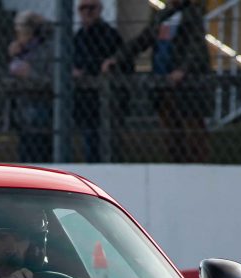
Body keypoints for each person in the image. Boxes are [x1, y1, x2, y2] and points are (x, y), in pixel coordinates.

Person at [103, 0, 212, 163]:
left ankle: (197, 167)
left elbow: (196, 47)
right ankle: (176, 166)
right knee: (172, 134)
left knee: (193, 133)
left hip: (187, 89)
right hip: (164, 85)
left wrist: (183, 69)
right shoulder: (162, 16)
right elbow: (143, 40)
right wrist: (117, 58)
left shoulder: (192, 15)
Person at [72, 0, 128, 163]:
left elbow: (112, 64)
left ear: (100, 10)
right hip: (86, 100)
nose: (87, 12)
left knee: (107, 142)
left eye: (91, 8)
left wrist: (85, 70)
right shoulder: (79, 37)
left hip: (106, 99)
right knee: (90, 142)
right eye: (83, 8)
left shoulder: (109, 35)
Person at [8, 11, 53, 164]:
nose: (19, 35)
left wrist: (30, 73)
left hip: (40, 108)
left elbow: (51, 79)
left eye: (23, 31)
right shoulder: (21, 51)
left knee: (38, 150)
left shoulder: (46, 50)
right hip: (23, 109)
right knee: (25, 150)